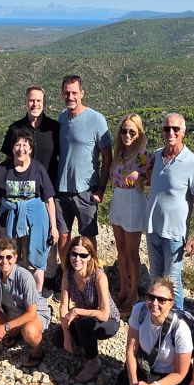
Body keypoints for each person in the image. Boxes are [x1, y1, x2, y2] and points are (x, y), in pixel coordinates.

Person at [50, 74, 112, 297]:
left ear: (82, 93)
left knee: (88, 240)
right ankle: (68, 279)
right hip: (61, 190)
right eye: (67, 93)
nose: (70, 96)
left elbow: (107, 156)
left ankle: (91, 281)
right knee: (64, 237)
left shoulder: (96, 119)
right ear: (62, 94)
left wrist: (101, 188)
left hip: (86, 191)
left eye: (74, 92)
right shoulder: (61, 119)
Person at [109, 276, 192, 385]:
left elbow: (181, 373)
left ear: (171, 303)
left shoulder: (180, 329)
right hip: (145, 366)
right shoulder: (140, 310)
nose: (154, 303)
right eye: (151, 297)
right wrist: (134, 384)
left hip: (168, 377)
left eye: (161, 300)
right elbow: (131, 351)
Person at [145, 113, 194, 312]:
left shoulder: (192, 162)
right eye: (166, 128)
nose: (170, 132)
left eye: (175, 129)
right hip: (153, 228)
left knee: (173, 282)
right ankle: (156, 318)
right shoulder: (156, 156)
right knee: (156, 276)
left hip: (174, 233)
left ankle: (178, 319)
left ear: (183, 132)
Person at [0, 128, 59, 292]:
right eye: (17, 144)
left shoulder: (38, 169)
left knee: (35, 260)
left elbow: (49, 200)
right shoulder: (4, 168)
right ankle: (13, 294)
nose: (21, 148)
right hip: (9, 221)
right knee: (10, 258)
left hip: (35, 222)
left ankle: (36, 298)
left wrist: (53, 227)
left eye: (25, 144)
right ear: (12, 147)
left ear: (31, 148)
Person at [0, 238, 50, 368]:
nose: (5, 261)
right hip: (9, 311)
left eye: (9, 257)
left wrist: (4, 327)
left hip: (33, 313)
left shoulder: (24, 277)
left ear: (15, 257)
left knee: (30, 332)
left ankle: (38, 350)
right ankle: (15, 331)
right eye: (0, 257)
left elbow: (31, 313)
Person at [54, 236, 120, 383]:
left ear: (90, 257)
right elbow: (64, 306)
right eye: (74, 254)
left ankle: (93, 361)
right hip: (85, 317)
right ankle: (86, 341)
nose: (77, 259)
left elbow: (104, 314)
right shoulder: (68, 274)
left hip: (108, 320)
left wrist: (77, 311)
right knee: (58, 338)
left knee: (82, 325)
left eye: (83, 255)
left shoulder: (98, 276)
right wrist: (66, 334)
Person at [108, 114, 150, 316]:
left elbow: (148, 179)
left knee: (132, 252)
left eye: (132, 131)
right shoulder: (119, 154)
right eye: (124, 130)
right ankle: (124, 288)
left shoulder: (142, 156)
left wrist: (140, 175)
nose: (127, 135)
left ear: (139, 133)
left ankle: (133, 294)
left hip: (134, 201)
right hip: (118, 200)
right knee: (121, 249)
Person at [0, 85, 61, 183]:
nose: (35, 104)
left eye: (38, 100)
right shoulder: (15, 129)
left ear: (44, 103)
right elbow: (8, 159)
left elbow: (61, 157)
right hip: (21, 188)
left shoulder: (54, 128)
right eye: (31, 100)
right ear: (25, 103)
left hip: (49, 187)